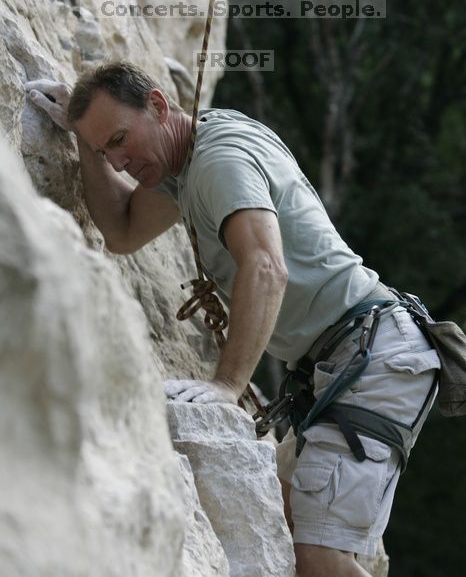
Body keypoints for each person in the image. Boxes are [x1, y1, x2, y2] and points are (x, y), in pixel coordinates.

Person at [25, 62, 441, 577]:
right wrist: (85, 141)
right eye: (109, 149)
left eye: (120, 139)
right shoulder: (182, 163)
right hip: (346, 365)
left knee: (320, 558)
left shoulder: (219, 160)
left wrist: (227, 385)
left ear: (158, 106)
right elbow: (123, 230)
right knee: (285, 532)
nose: (120, 160)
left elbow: (265, 265)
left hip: (371, 359)